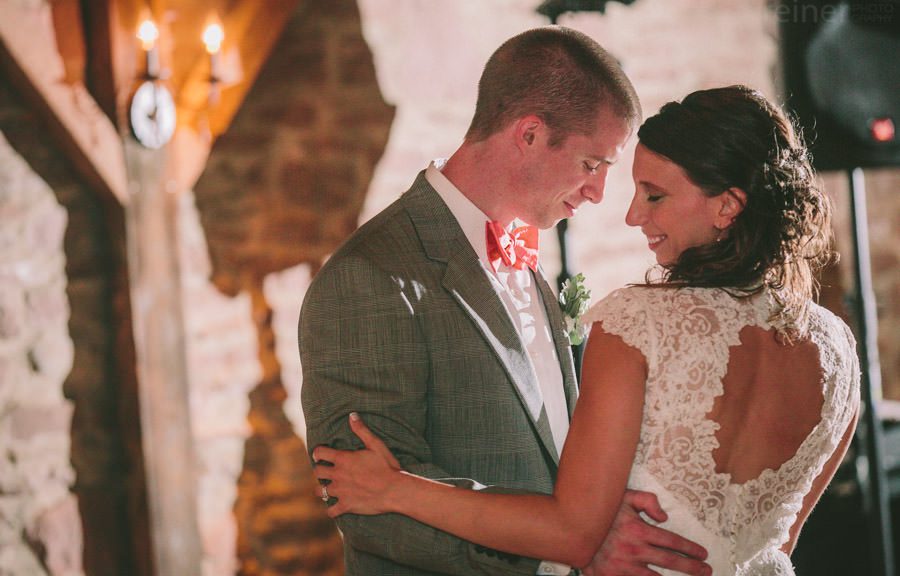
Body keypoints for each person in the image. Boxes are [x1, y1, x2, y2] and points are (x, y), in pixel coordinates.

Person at [311, 85, 862, 575]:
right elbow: (779, 540)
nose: (630, 214)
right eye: (595, 166)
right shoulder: (838, 349)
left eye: (655, 195)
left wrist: (397, 489)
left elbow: (571, 533)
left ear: (727, 206)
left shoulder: (636, 322)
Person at [299, 26, 712, 576]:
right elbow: (366, 509)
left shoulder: (528, 254)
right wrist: (559, 550)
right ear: (530, 134)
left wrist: (588, 522)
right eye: (592, 165)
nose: (597, 193)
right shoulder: (369, 276)